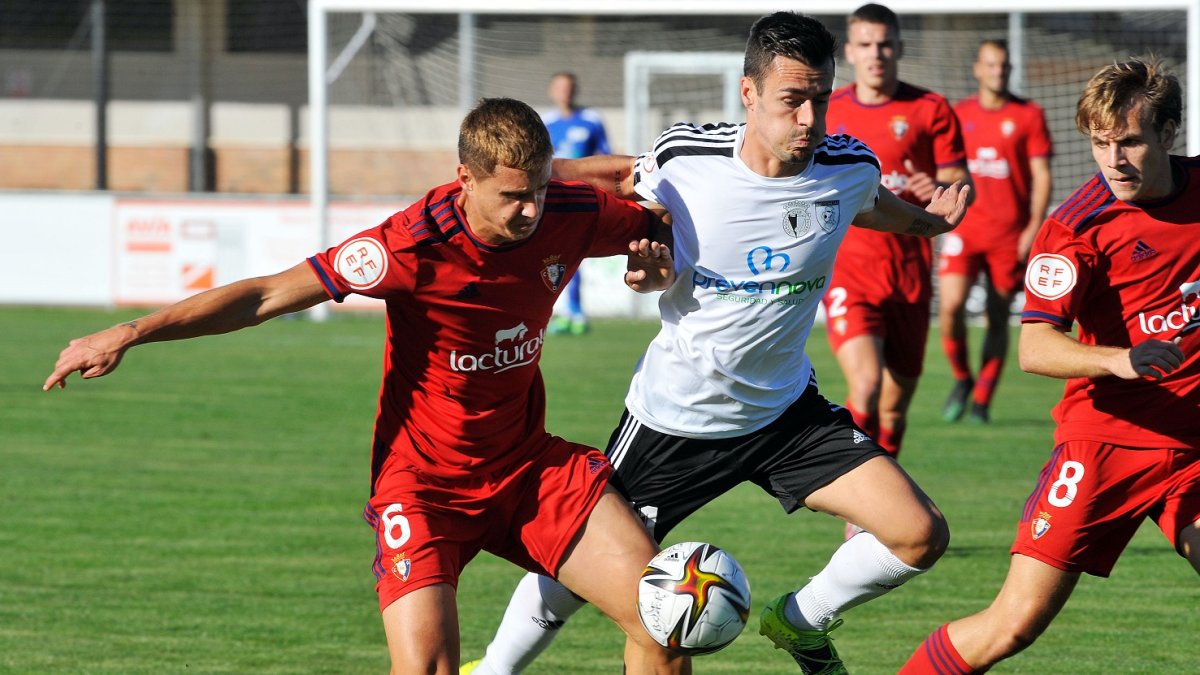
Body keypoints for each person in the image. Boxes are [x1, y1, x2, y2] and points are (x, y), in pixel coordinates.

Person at [42, 97, 689, 675]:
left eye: (540, 191)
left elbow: (659, 224)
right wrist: (131, 330)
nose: (530, 210)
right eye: (512, 196)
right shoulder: (407, 246)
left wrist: (655, 268)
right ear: (465, 179)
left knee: (665, 619)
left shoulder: (567, 211)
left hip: (526, 467)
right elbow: (265, 294)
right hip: (424, 486)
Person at [463, 12, 969, 675]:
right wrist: (511, 184)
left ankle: (799, 619)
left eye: (820, 98)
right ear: (749, 94)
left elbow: (874, 203)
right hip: (676, 419)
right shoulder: (689, 161)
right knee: (591, 574)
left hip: (786, 416)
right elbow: (615, 179)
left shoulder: (846, 167)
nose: (810, 119)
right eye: (793, 100)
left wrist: (930, 224)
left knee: (919, 532)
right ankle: (495, 668)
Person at [899, 56, 1200, 674]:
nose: (1113, 160)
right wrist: (1122, 360)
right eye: (1100, 144)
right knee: (1010, 628)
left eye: (1131, 142)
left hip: (1191, 447)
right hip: (1103, 446)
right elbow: (1035, 348)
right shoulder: (1076, 228)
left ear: (1169, 134)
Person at [824, 3, 971, 459]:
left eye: (884, 44)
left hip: (909, 276)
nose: (876, 53)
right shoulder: (828, 111)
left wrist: (944, 189)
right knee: (865, 388)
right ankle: (857, 506)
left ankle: (886, 497)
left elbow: (962, 184)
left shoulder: (930, 109)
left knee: (894, 407)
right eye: (865, 44)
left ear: (899, 47)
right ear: (850, 51)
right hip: (850, 272)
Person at [938, 39, 1053, 424]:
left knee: (997, 315)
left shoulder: (1029, 115)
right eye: (990, 64)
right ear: (977, 69)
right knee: (951, 308)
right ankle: (961, 378)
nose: (997, 71)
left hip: (1009, 235)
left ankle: (983, 400)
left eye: (1003, 65)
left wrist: (1033, 228)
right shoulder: (959, 113)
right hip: (964, 228)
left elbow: (1041, 177)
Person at [543, 71, 612, 336]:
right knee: (558, 257)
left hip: (582, 199)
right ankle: (568, 312)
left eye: (569, 87)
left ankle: (574, 312)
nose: (565, 92)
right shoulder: (546, 123)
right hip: (552, 200)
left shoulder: (592, 120)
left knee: (572, 255)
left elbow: (606, 155)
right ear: (552, 91)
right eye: (560, 87)